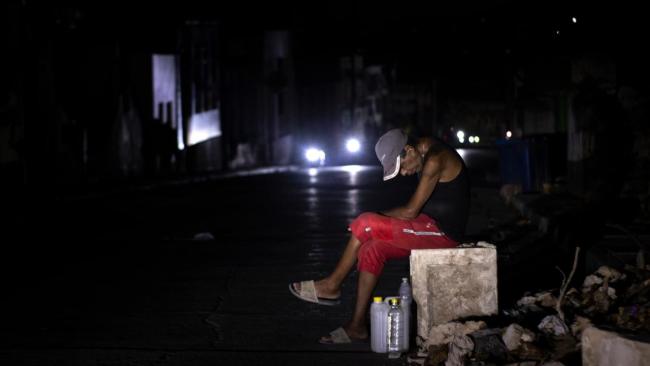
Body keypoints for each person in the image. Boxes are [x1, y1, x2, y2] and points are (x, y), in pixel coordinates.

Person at [289, 128, 470, 343]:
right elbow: (412, 213)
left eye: (401, 167)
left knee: (366, 222)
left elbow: (410, 211)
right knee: (370, 248)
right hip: (426, 225)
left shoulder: (435, 158)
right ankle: (357, 327)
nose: (403, 173)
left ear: (409, 150)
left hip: (442, 234)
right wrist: (372, 221)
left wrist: (371, 221)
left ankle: (332, 285)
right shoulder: (424, 152)